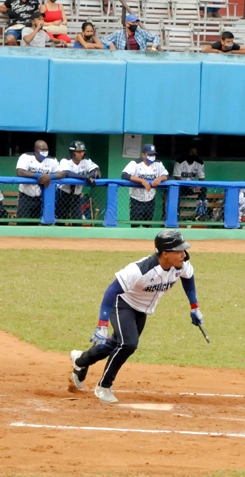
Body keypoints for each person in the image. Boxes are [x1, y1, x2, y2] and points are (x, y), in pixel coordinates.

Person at [68, 230, 203, 403]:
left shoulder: (181, 265)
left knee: (116, 344)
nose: (184, 254)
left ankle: (80, 360)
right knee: (128, 344)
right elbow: (111, 291)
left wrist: (194, 306)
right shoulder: (140, 270)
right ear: (165, 253)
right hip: (122, 303)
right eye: (179, 251)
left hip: (142, 309)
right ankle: (104, 386)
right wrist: (102, 324)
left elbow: (188, 278)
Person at [15, 140, 64, 219]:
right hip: (25, 196)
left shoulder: (52, 160)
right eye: (42, 149)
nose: (45, 152)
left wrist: (50, 176)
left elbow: (63, 173)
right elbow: (20, 172)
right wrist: (38, 175)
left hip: (41, 198)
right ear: (35, 150)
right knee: (22, 222)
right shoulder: (26, 156)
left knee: (37, 223)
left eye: (46, 149)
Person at [122, 143, 168, 222]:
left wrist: (160, 178)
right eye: (150, 154)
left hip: (150, 199)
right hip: (136, 199)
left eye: (153, 154)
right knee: (135, 225)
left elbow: (166, 175)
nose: (152, 156)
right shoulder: (135, 163)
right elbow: (124, 175)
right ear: (143, 154)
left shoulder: (158, 163)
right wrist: (142, 181)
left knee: (147, 224)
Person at [56, 140, 99, 221]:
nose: (81, 154)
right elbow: (67, 173)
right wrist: (86, 177)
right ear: (72, 152)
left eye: (82, 151)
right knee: (61, 220)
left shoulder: (86, 161)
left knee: (77, 220)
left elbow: (96, 171)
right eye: (78, 152)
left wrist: (88, 176)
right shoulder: (65, 161)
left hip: (76, 195)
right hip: (63, 194)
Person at [173, 147, 207, 220]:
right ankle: (176, 213)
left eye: (195, 152)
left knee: (204, 188)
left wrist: (199, 186)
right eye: (191, 152)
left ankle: (200, 213)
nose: (193, 154)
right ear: (187, 152)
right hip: (181, 187)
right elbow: (177, 178)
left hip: (193, 188)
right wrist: (190, 187)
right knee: (176, 190)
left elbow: (201, 178)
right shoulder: (179, 162)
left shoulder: (199, 163)